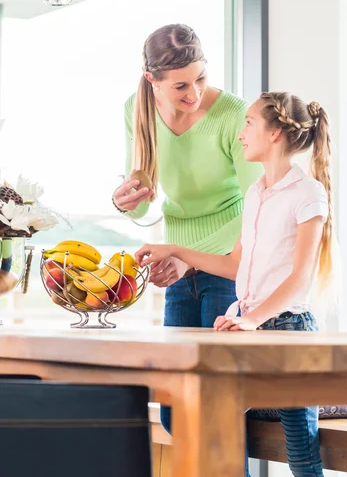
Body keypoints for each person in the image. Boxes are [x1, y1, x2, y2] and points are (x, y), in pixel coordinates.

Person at [136, 91, 335, 477]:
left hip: (288, 330)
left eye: (249, 124)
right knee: (213, 422)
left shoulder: (308, 193)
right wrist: (176, 251)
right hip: (251, 329)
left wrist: (252, 318)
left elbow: (300, 279)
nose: (241, 134)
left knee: (301, 451)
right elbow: (235, 264)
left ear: (275, 133)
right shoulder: (255, 192)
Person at [112, 23, 262, 433]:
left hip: (228, 265)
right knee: (175, 413)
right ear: (152, 81)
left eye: (201, 78)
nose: (193, 94)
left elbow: (258, 207)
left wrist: (186, 258)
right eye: (180, 86)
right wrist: (124, 203)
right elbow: (145, 203)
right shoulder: (135, 109)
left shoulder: (234, 114)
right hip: (178, 268)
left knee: (221, 415)